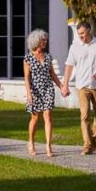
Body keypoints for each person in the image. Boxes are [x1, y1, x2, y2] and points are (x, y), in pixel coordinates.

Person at [61, 20, 96, 155]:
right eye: (79, 34)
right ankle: (87, 145)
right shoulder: (75, 46)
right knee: (84, 116)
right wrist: (65, 85)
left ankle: (92, 138)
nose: (81, 36)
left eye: (82, 33)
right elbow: (69, 66)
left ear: (89, 30)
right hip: (82, 85)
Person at [23, 28, 63, 157]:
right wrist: (29, 94)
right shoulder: (28, 58)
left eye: (46, 39)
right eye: (43, 40)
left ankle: (48, 146)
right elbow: (27, 77)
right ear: (36, 41)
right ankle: (31, 142)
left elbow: (52, 74)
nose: (45, 42)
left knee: (48, 116)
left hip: (47, 89)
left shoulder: (48, 56)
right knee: (35, 118)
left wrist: (61, 86)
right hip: (35, 90)